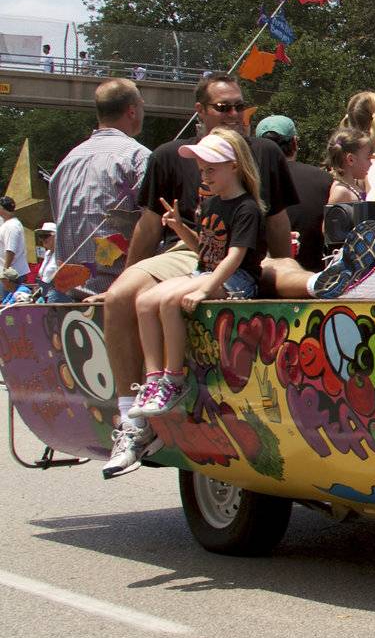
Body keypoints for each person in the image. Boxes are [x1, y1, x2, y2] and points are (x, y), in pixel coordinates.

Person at [99, 73, 296, 478]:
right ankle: (132, 422)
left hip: (240, 253)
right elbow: (151, 227)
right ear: (200, 112)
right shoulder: (170, 156)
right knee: (122, 297)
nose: (235, 114)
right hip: (189, 249)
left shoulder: (265, 154)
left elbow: (277, 222)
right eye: (224, 107)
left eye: (241, 106)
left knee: (287, 271)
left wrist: (279, 268)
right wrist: (123, 276)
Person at [124, 130, 264, 420]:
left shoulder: (247, 207)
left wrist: (204, 289)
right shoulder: (212, 203)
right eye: (202, 170)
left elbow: (235, 257)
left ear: (234, 166)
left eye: (211, 169)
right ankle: (153, 380)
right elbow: (204, 247)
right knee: (145, 301)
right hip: (207, 271)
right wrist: (179, 228)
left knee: (169, 301)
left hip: (235, 280)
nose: (205, 176)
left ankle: (173, 380)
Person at [49, 78, 149, 296]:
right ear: (132, 111)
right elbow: (150, 227)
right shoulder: (138, 158)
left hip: (65, 296)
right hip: (115, 296)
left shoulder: (66, 162)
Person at [256, 114, 333, 273]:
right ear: (295, 143)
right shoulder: (325, 180)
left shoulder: (245, 183)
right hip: (312, 279)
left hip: (259, 278)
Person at [325, 127, 375, 205]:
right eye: (368, 158)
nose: (371, 163)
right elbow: (331, 216)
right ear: (351, 160)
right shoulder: (341, 192)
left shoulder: (352, 186)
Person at [0, 195, 23, 273]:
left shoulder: (11, 226)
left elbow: (10, 250)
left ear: (2, 208)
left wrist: (5, 271)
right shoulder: (7, 223)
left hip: (11, 274)